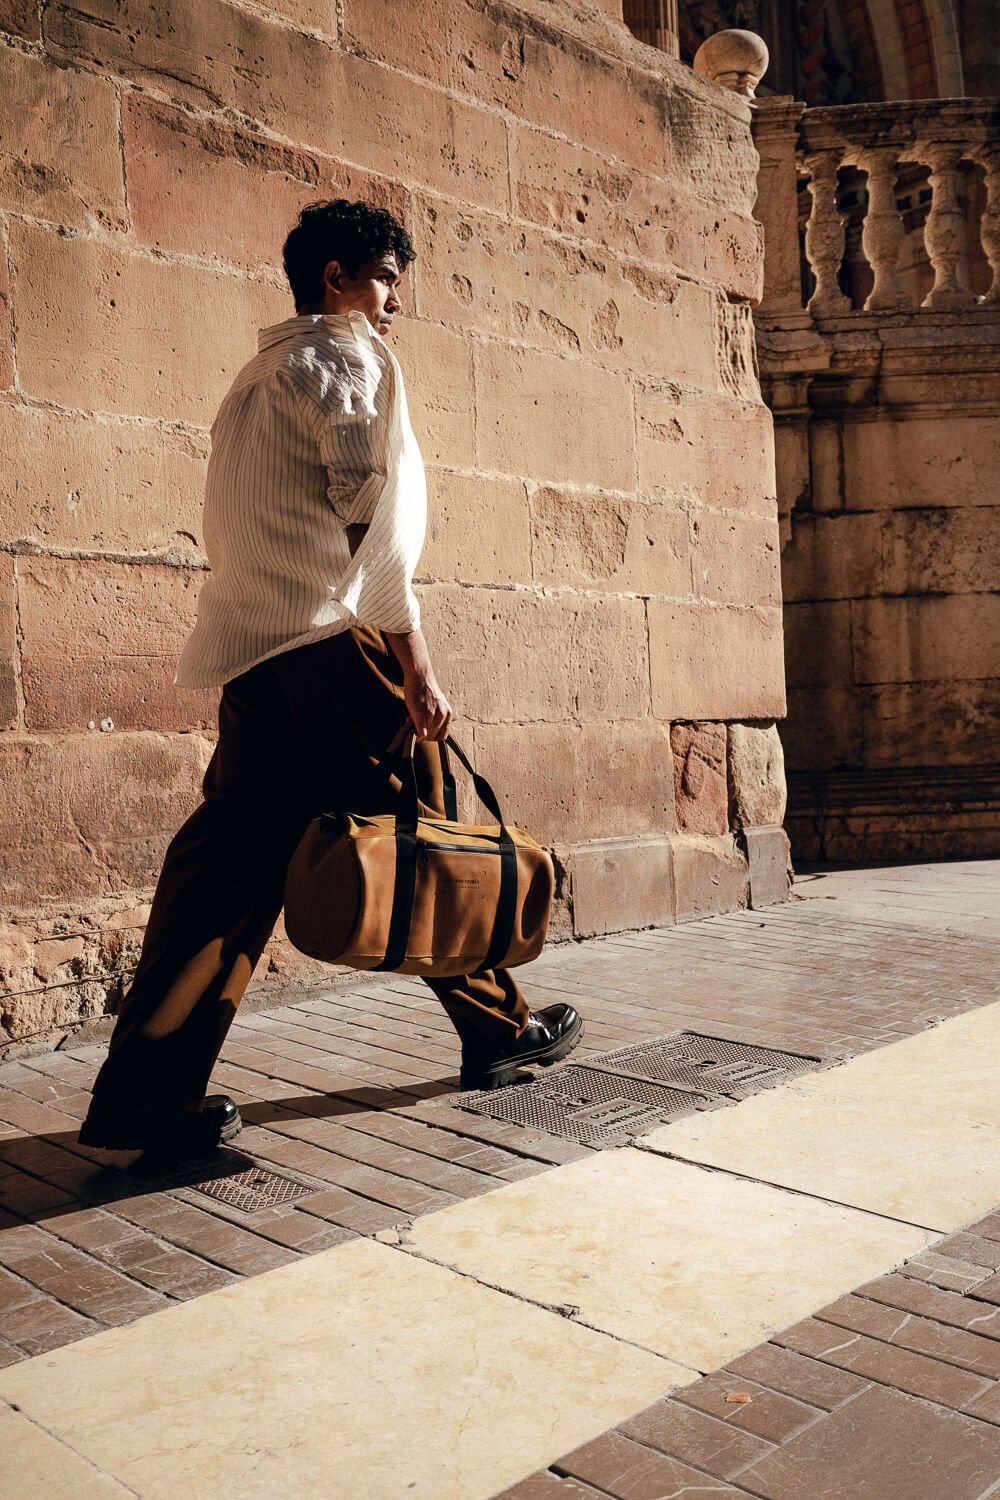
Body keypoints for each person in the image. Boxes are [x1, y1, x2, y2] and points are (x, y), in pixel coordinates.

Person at [79, 199, 583, 1154]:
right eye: (386, 278)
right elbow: (369, 522)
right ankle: (500, 1029)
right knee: (427, 830)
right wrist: (417, 664)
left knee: (222, 875)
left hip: (255, 662)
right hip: (332, 655)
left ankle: (146, 1092)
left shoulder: (255, 377)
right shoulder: (342, 356)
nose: (395, 303)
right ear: (337, 279)